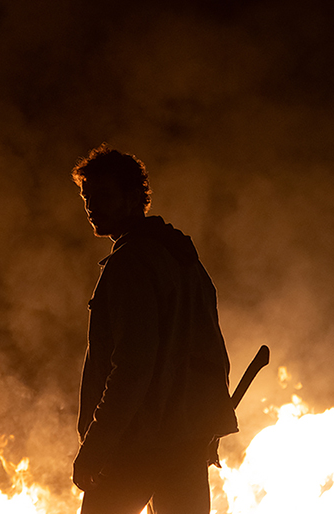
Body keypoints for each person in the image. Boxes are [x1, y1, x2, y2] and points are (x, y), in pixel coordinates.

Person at [70, 144, 238, 514]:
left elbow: (131, 367)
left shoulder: (130, 264)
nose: (91, 206)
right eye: (87, 197)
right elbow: (213, 353)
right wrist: (206, 429)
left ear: (133, 198)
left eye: (103, 196)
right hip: (187, 444)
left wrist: (96, 447)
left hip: (136, 444)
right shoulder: (186, 262)